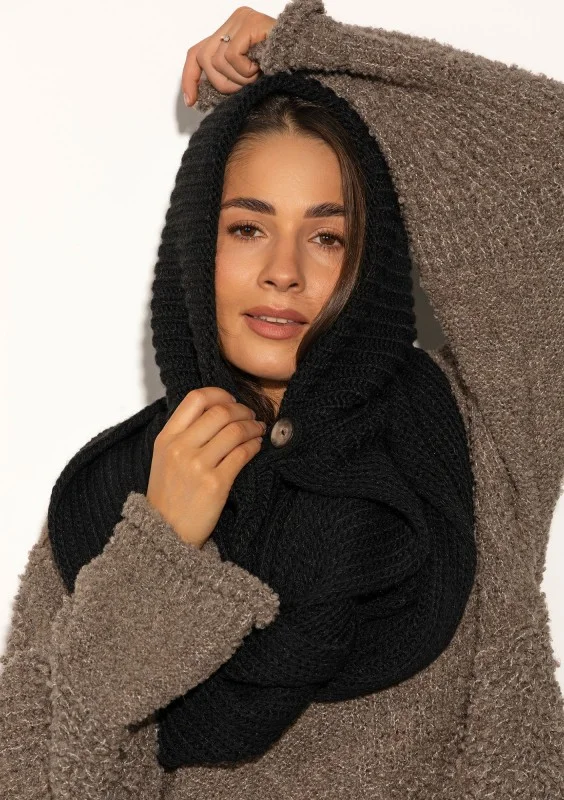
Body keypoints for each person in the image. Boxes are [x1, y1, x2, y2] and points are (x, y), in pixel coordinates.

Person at [1, 1, 563, 798]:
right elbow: (41, 774)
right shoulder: (119, 492)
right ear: (196, 243)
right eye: (247, 228)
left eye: (328, 236)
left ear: (370, 257)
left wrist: (320, 51)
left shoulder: (471, 443)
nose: (284, 271)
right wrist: (160, 552)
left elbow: (549, 156)